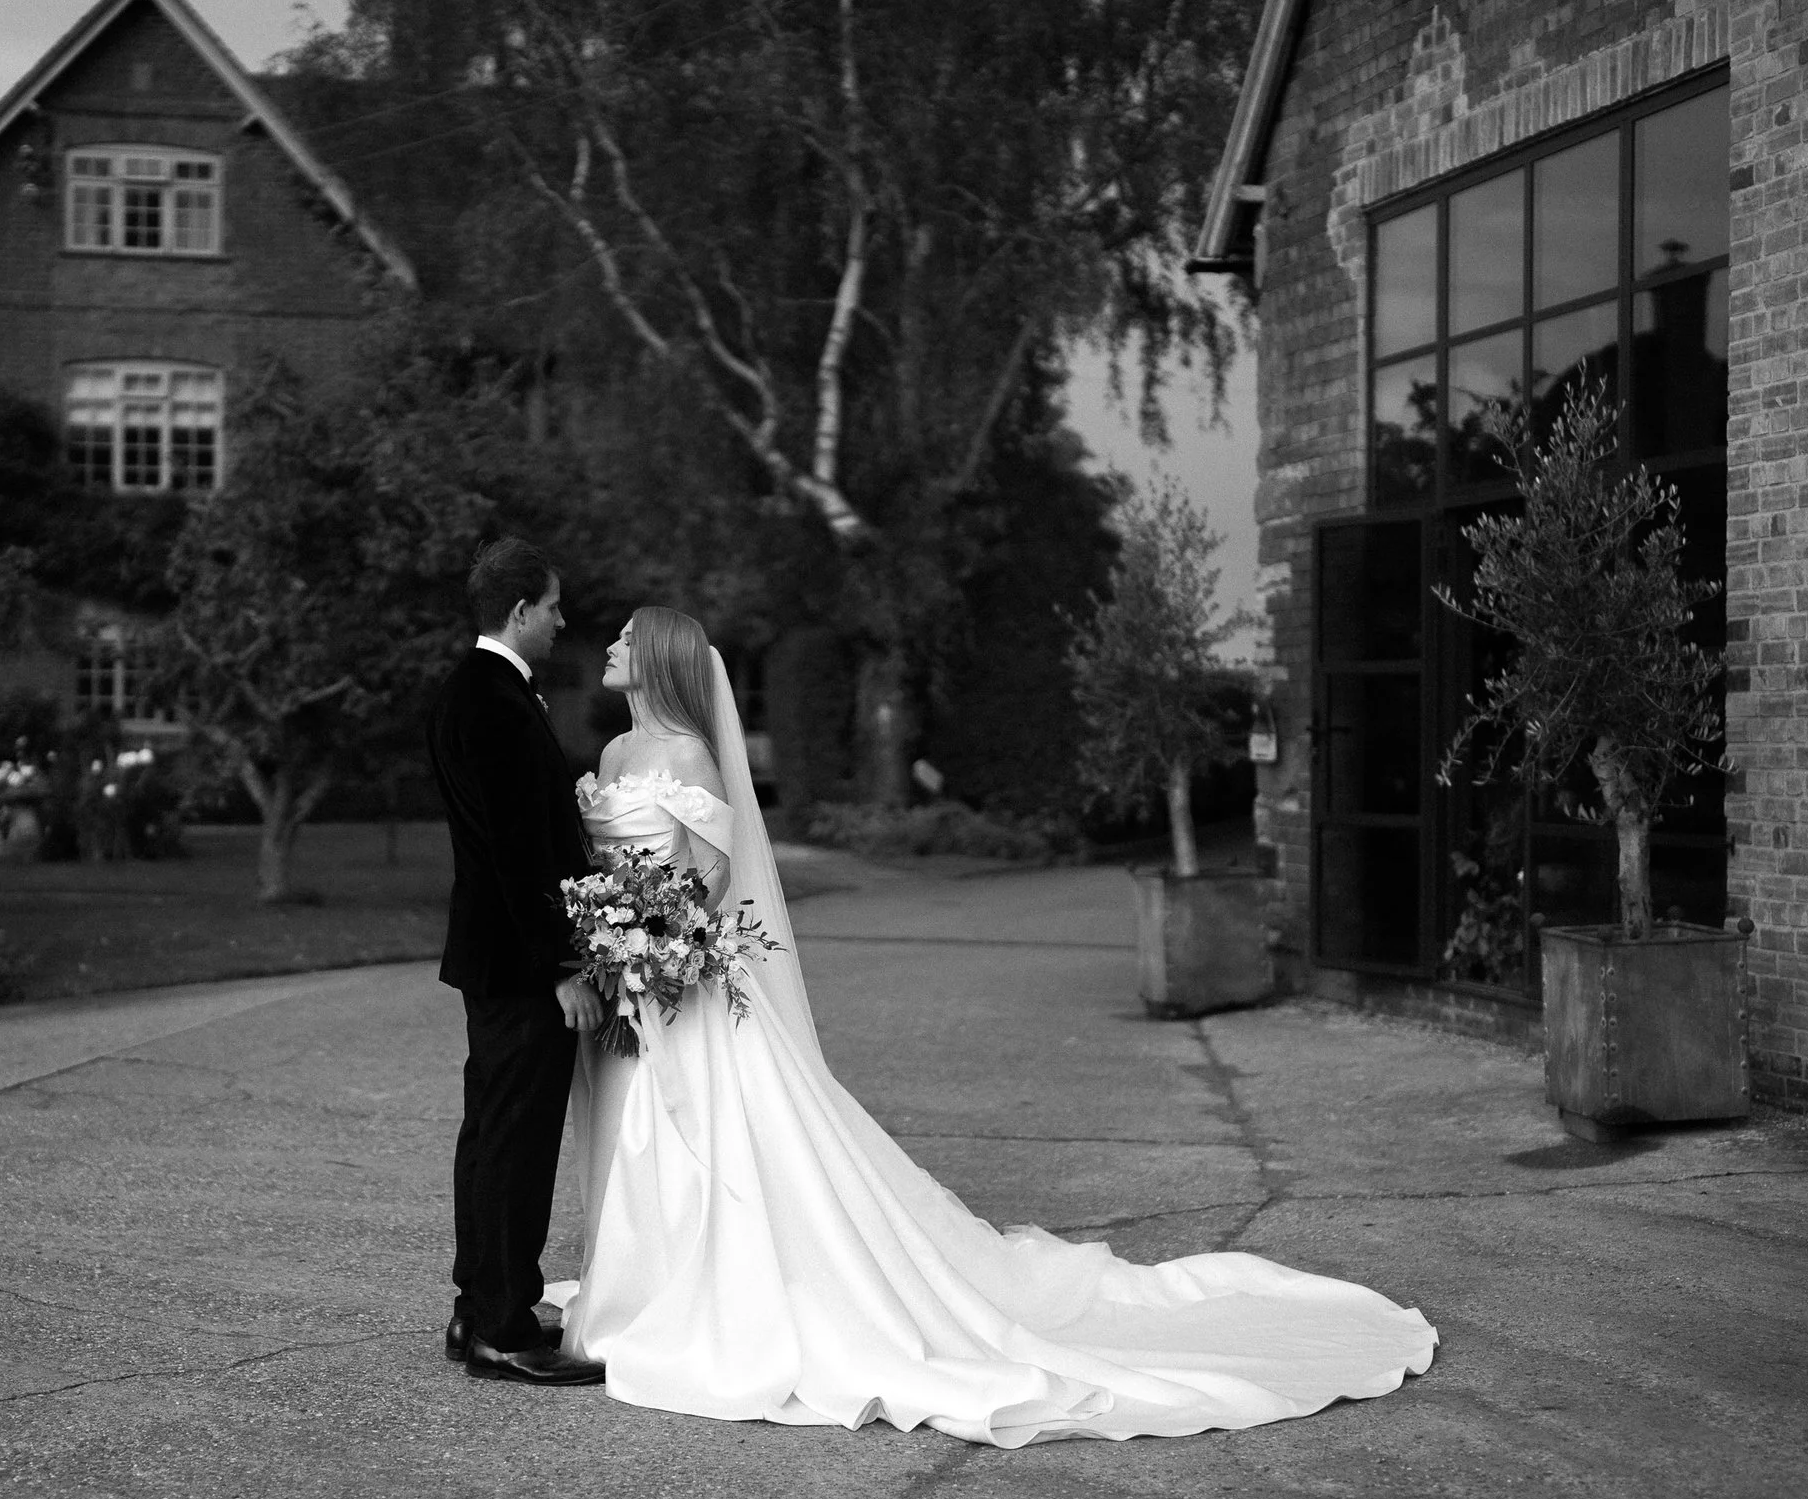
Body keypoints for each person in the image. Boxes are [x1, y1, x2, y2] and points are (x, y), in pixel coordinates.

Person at [548, 605, 1438, 1446]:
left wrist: (652, 938)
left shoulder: (695, 758)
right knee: (633, 1134)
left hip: (680, 977)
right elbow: (600, 854)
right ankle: (644, 1286)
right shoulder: (618, 747)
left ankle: (718, 1301)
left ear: (658, 656)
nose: (612, 644)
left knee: (718, 1144)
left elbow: (709, 872)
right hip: (630, 978)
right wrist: (607, 933)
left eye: (628, 636)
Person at [423, 538, 606, 1386]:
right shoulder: (491, 702)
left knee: (492, 1133)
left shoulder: (482, 690)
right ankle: (501, 1325)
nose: (563, 621)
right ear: (520, 610)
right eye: (554, 606)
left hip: (497, 956)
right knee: (515, 1141)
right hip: (519, 963)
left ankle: (478, 1308)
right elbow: (515, 853)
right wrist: (562, 965)